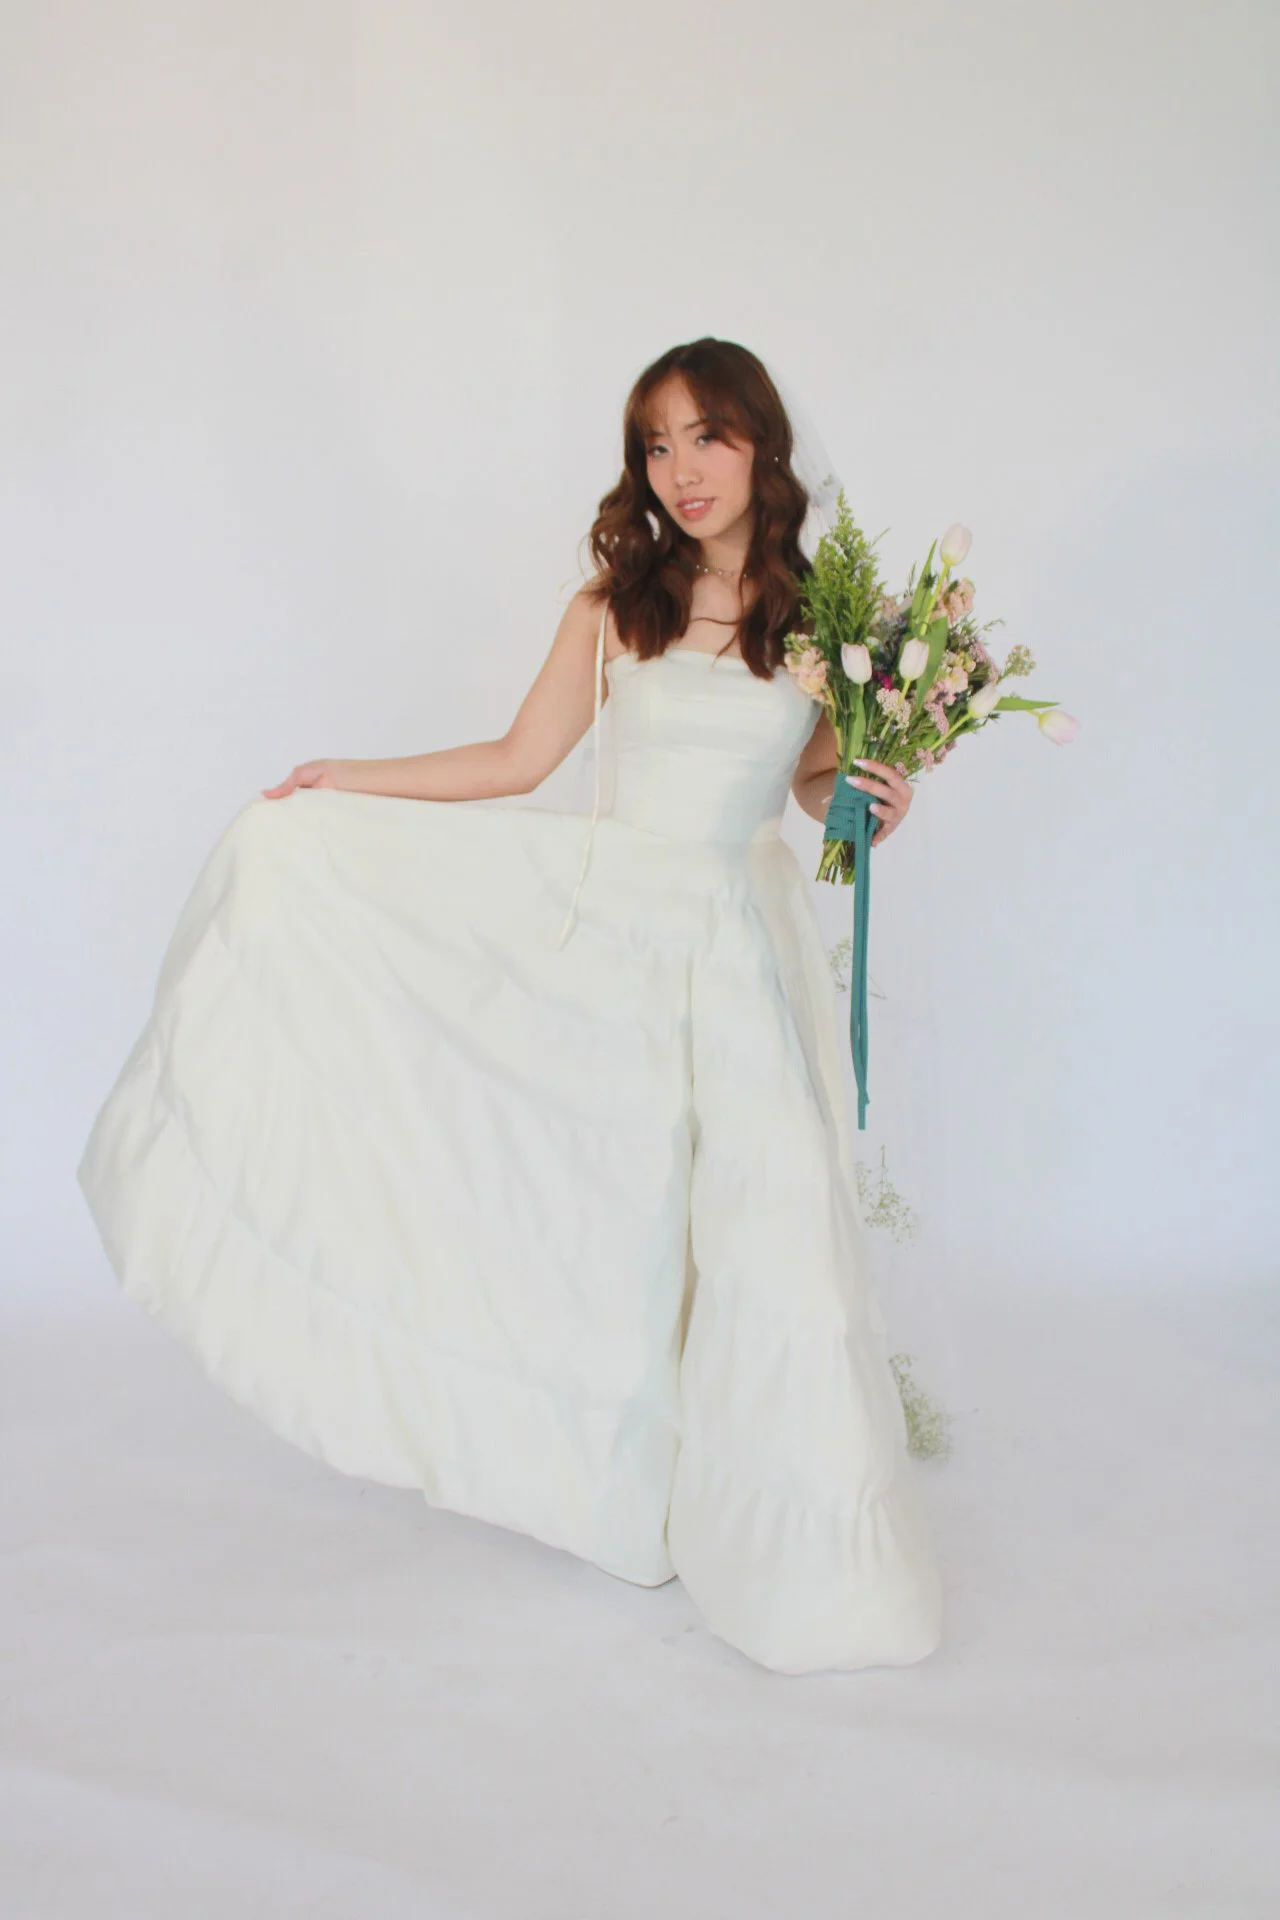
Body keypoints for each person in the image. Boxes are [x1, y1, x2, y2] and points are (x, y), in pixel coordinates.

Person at [77, 336, 943, 1676]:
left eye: (705, 436)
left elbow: (817, 796)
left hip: (734, 950)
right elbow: (519, 757)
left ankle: (795, 1553)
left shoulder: (820, 622)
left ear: (762, 444)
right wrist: (343, 782)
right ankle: (628, 1499)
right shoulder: (619, 601)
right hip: (611, 945)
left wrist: (875, 801)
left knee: (766, 1237)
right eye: (655, 444)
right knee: (625, 1222)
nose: (680, 470)